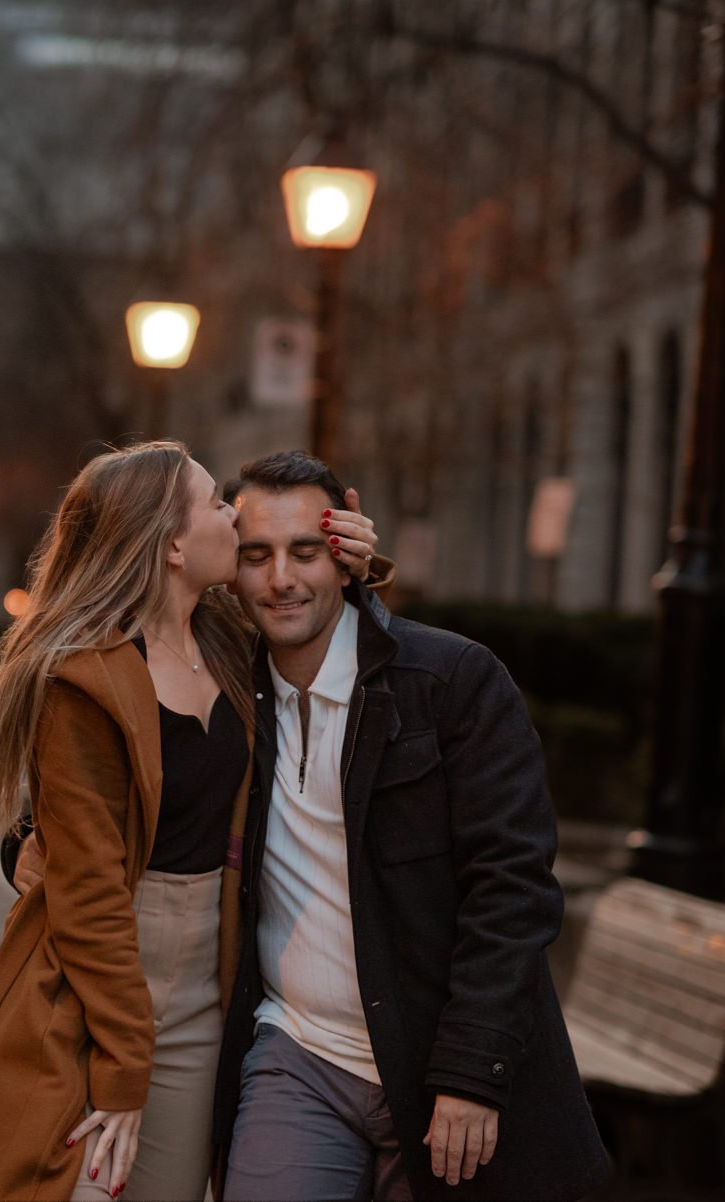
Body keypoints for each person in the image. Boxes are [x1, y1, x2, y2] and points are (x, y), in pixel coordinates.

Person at [0, 441, 386, 1202]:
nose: (231, 514)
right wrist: (124, 1067)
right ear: (172, 544)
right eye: (213, 503)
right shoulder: (86, 677)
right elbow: (93, 890)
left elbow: (331, 641)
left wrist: (360, 570)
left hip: (207, 985)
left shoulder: (230, 645)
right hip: (90, 993)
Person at [211, 451, 608, 1201]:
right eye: (254, 556)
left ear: (346, 546)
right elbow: (129, 742)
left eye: (306, 551)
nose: (281, 579)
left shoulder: (452, 681)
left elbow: (513, 887)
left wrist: (470, 1072)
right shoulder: (227, 694)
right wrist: (30, 839)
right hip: (296, 1054)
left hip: (437, 1071)